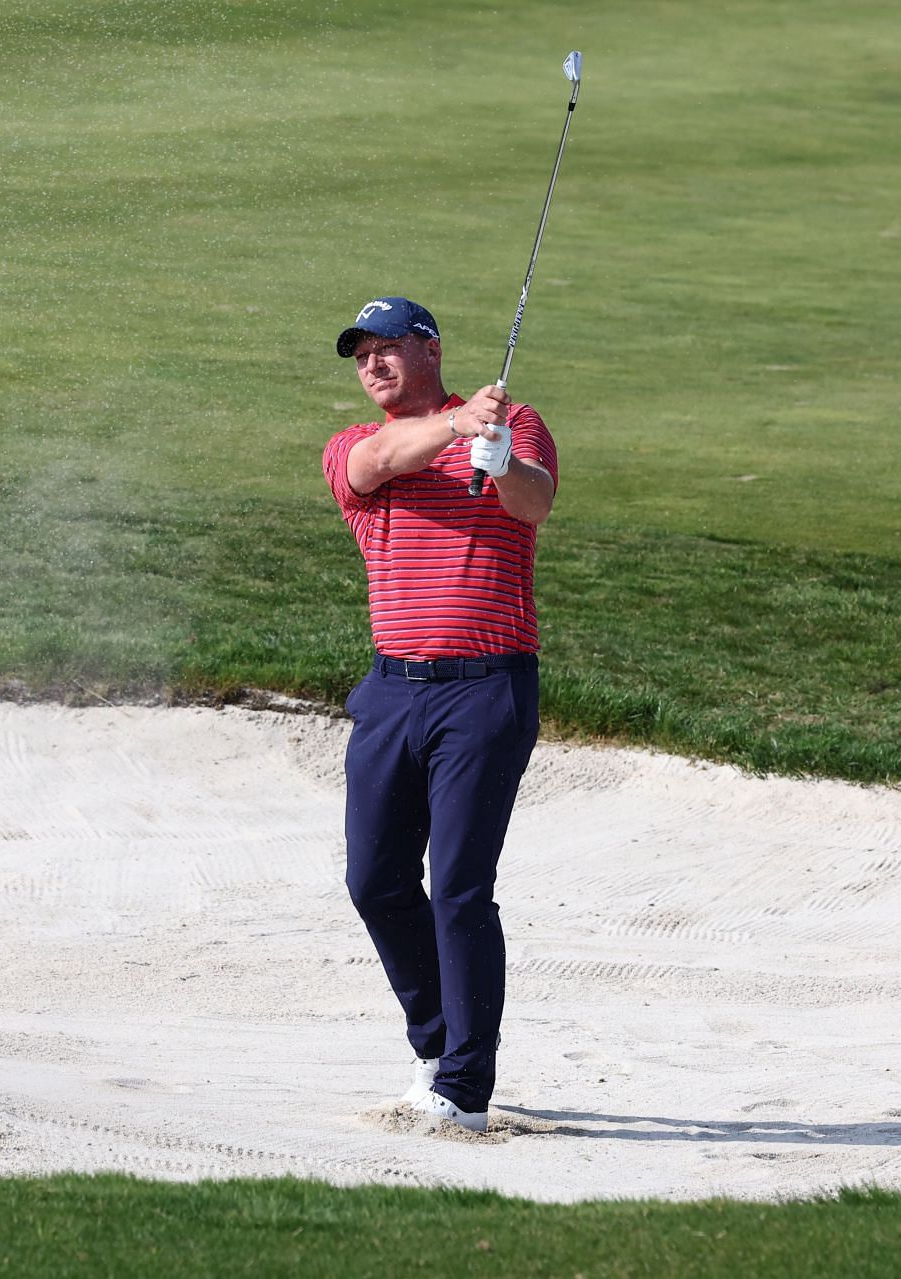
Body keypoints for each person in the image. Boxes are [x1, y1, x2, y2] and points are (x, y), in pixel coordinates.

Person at [321, 296, 556, 1133]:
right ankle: (436, 1040)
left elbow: (535, 504)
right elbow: (378, 462)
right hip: (391, 691)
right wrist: (459, 427)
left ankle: (464, 1084)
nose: (373, 364)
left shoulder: (515, 421)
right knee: (374, 878)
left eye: (388, 348)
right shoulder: (356, 444)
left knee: (459, 886)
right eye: (361, 355)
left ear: (431, 349)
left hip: (487, 686)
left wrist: (500, 458)